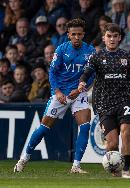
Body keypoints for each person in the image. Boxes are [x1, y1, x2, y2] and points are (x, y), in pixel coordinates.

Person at [14, 18, 96, 174]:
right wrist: (57, 92)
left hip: (79, 93)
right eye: (74, 34)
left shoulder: (90, 51)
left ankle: (76, 166)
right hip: (61, 94)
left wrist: (79, 90)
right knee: (44, 128)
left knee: (85, 126)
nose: (77, 37)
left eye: (79, 34)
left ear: (83, 34)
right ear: (68, 34)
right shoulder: (61, 49)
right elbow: (52, 72)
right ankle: (24, 158)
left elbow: (91, 75)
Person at [78, 23, 130, 178]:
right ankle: (115, 170)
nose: (112, 39)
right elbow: (87, 72)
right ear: (104, 38)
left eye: (115, 36)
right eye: (109, 36)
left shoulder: (127, 56)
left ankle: (127, 170)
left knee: (126, 132)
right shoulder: (97, 56)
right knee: (112, 143)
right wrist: (82, 81)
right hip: (104, 104)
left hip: (125, 101)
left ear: (120, 38)